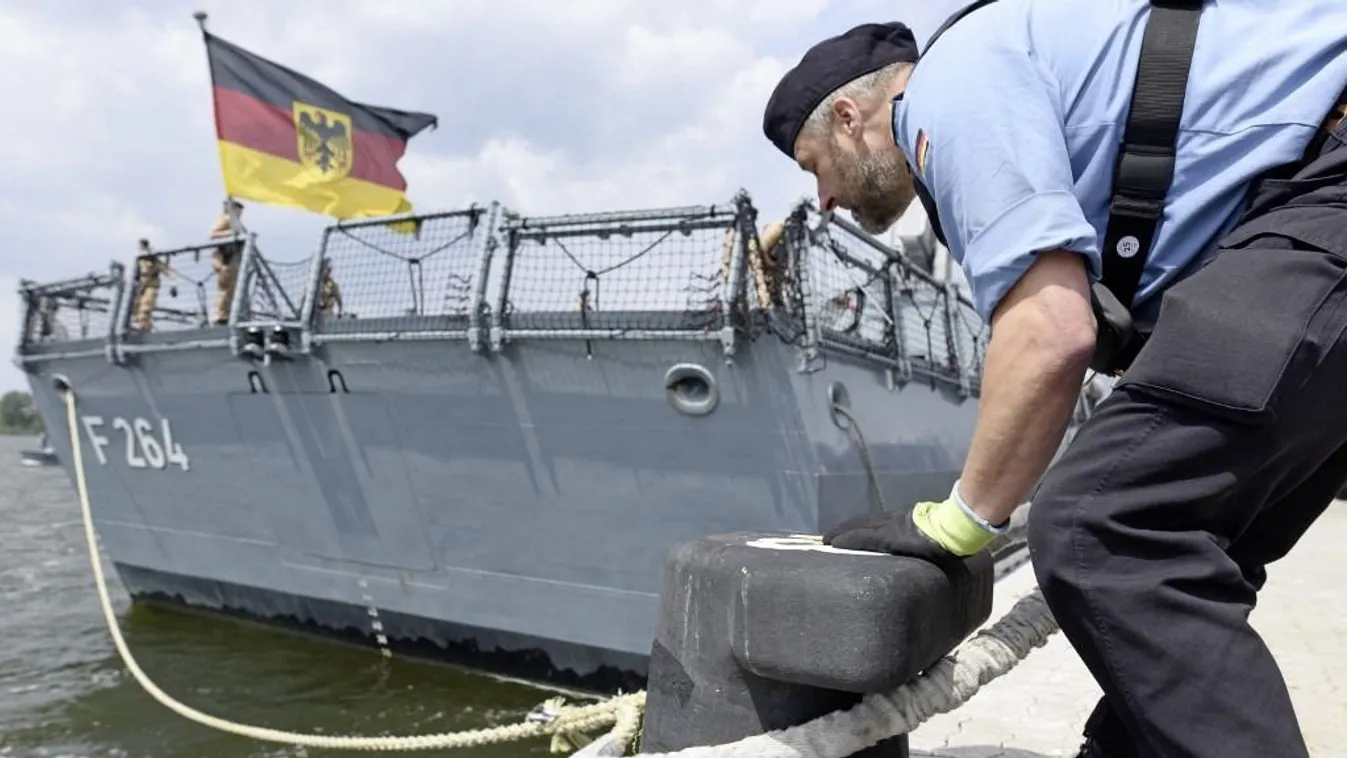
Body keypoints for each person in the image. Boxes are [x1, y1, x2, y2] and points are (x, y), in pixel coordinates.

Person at [760, 2, 1347, 757]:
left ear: (848, 117)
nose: (824, 202)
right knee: (1199, 532)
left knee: (1099, 521)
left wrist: (958, 521)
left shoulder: (946, 91)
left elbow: (1049, 332)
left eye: (815, 169)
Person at [208, 200, 244, 325]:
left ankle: (227, 314)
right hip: (224, 257)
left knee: (232, 288)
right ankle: (221, 316)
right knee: (225, 288)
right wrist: (231, 233)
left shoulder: (235, 222)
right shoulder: (225, 219)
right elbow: (213, 234)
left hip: (233, 257)